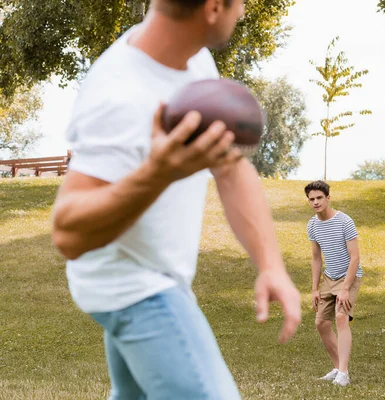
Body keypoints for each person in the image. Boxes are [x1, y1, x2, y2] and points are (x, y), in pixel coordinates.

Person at [51, 1, 301, 398]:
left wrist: (270, 264)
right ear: (214, 8)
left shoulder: (195, 62)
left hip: (160, 278)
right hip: (133, 287)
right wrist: (159, 172)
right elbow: (67, 234)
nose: (244, 11)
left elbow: (231, 169)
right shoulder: (118, 94)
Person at [304, 180, 363, 387]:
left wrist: (345, 289)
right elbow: (316, 258)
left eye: (319, 198)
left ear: (328, 198)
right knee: (321, 323)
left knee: (340, 318)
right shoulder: (312, 225)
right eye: (311, 199)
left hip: (349, 276)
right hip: (329, 278)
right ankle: (338, 367)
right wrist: (314, 289)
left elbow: (355, 258)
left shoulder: (344, 221)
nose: (316, 202)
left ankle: (344, 374)